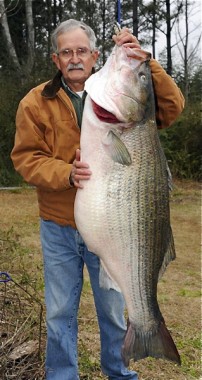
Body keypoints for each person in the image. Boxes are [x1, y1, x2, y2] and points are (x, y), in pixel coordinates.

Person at [11, 19, 184, 380]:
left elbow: (172, 107)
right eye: (66, 52)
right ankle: (61, 376)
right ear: (56, 59)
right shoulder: (35, 102)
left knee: (112, 309)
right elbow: (25, 158)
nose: (74, 58)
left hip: (116, 230)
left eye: (81, 51)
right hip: (58, 227)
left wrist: (144, 62)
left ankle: (120, 371)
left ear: (94, 55)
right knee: (59, 311)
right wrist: (66, 173)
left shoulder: (120, 101)